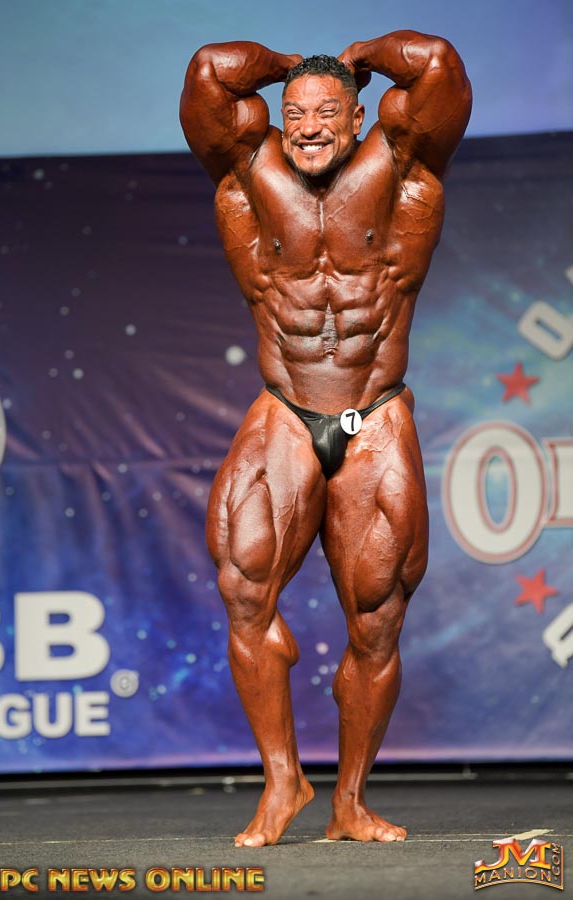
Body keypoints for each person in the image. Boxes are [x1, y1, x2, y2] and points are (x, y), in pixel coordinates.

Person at [180, 32, 471, 847]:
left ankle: (351, 801)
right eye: (296, 113)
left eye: (326, 112)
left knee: (376, 617)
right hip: (286, 406)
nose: (308, 127)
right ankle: (284, 781)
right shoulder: (249, 168)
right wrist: (291, 68)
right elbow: (208, 71)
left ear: (355, 118)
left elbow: (438, 64)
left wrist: (361, 57)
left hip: (372, 413)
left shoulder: (403, 169)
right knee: (243, 586)